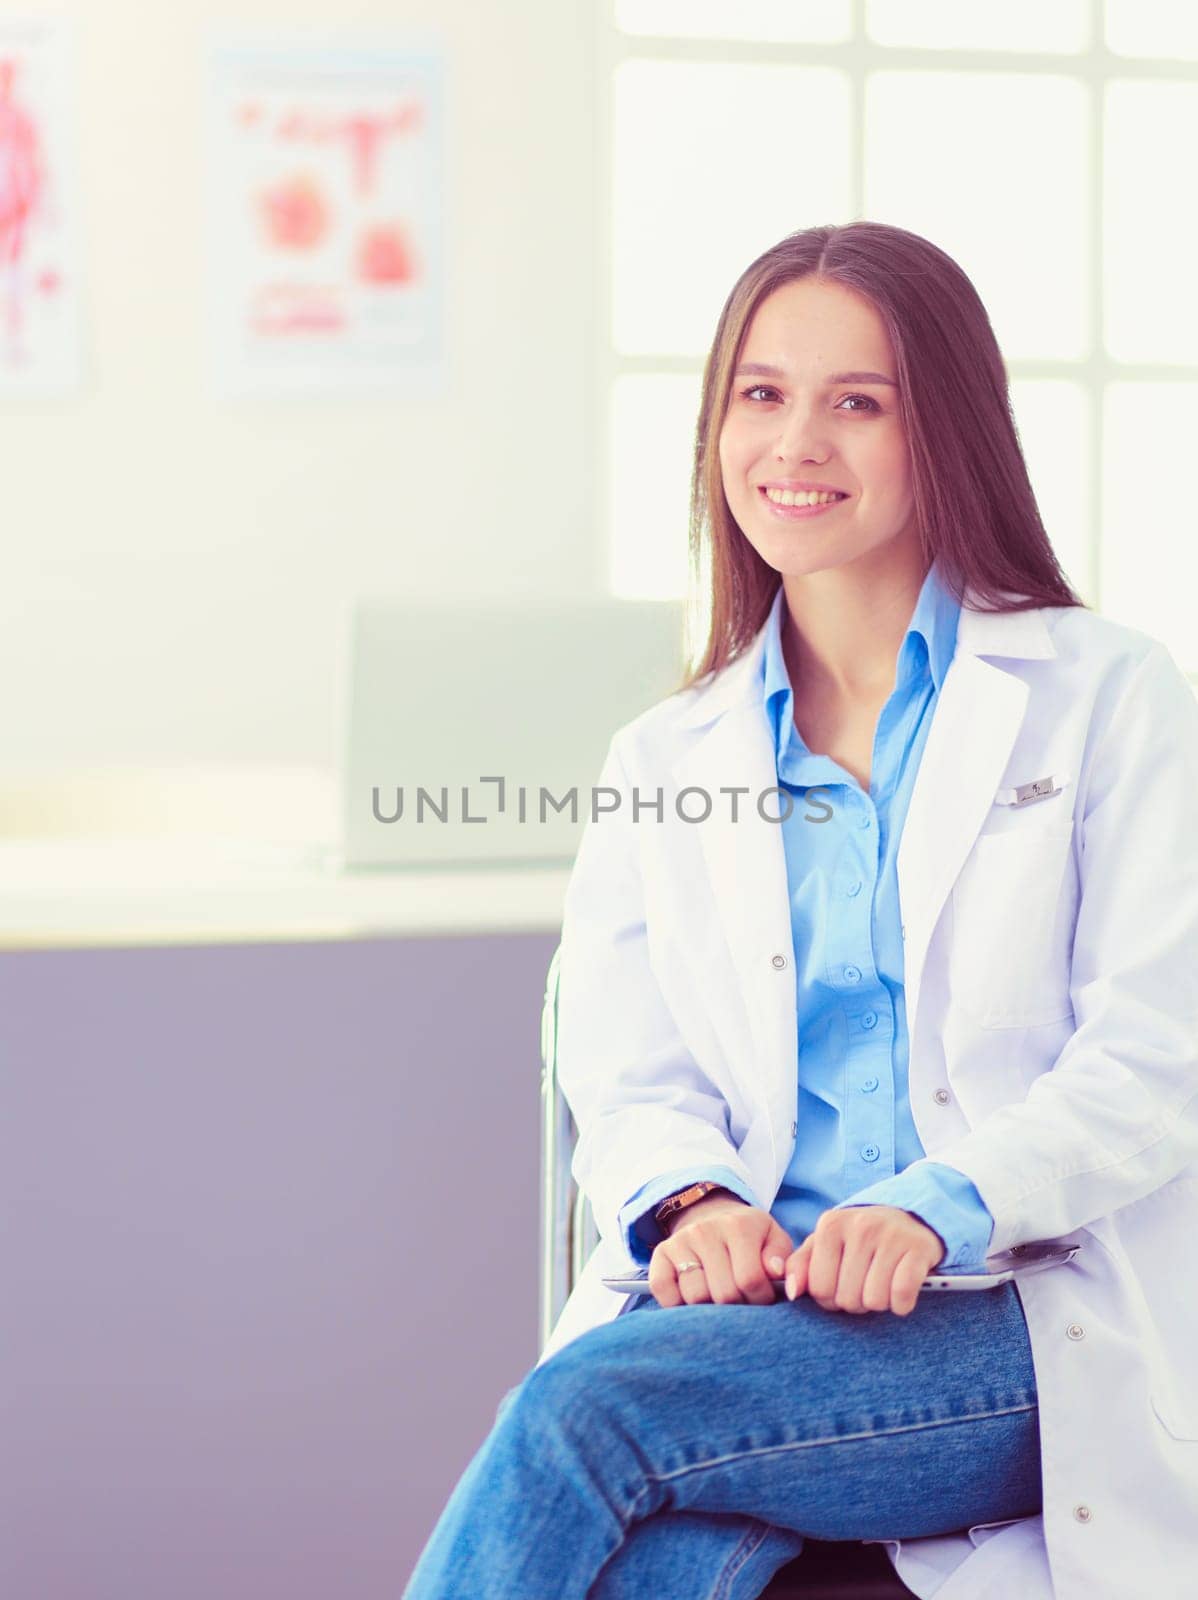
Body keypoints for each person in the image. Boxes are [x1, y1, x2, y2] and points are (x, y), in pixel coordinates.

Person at [403, 221, 1198, 1600]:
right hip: (756, 1321)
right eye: (760, 396)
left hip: (1016, 1315)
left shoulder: (1108, 696)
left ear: (943, 430)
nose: (794, 445)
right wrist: (692, 1198)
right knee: (662, 1558)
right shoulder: (667, 757)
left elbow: (1154, 1052)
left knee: (589, 1415)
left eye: (857, 403)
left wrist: (939, 1206)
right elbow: (623, 1063)